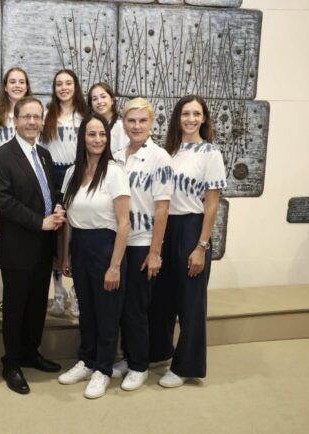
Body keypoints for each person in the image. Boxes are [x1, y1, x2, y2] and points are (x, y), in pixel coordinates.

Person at [0, 96, 66, 395]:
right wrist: (39, 222)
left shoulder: (44, 155)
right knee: (15, 307)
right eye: (27, 117)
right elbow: (3, 201)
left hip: (44, 245)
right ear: (16, 120)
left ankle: (30, 353)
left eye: (37, 117)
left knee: (36, 305)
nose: (32, 122)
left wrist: (57, 206)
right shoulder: (2, 156)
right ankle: (11, 363)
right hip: (18, 245)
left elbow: (51, 191)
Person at [148, 95, 226, 388]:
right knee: (161, 297)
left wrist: (201, 247)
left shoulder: (210, 154)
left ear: (204, 118)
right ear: (177, 118)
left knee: (190, 302)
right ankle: (158, 351)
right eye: (185, 114)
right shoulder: (169, 151)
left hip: (192, 228)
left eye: (196, 114)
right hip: (165, 227)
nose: (191, 119)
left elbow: (212, 206)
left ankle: (186, 366)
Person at [57, 113, 131, 399]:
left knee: (107, 312)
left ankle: (103, 368)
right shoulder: (71, 173)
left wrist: (115, 266)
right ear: (82, 138)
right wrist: (66, 255)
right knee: (86, 309)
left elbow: (124, 223)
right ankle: (87, 361)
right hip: (80, 247)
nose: (98, 139)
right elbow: (68, 220)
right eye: (92, 134)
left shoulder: (115, 172)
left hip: (106, 247)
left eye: (102, 134)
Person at [111, 98, 173, 392]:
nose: (136, 126)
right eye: (131, 120)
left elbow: (162, 208)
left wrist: (155, 252)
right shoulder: (116, 156)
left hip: (141, 241)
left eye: (142, 121)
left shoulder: (160, 157)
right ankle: (129, 357)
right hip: (117, 241)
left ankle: (139, 366)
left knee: (136, 307)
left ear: (151, 123)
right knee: (121, 305)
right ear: (123, 123)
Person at [42, 69, 88, 318]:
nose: (63, 87)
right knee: (55, 238)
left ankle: (77, 293)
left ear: (75, 86)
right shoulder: (47, 116)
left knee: (76, 235)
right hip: (53, 175)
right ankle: (58, 291)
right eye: (58, 83)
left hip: (77, 175)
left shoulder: (85, 116)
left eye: (68, 83)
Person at [0, 67, 32, 154]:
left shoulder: (37, 118)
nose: (17, 85)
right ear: (5, 87)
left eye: (21, 82)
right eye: (12, 82)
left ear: (26, 88)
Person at [87, 82, 129, 154]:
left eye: (103, 97)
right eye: (95, 99)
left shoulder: (121, 126)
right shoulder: (88, 126)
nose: (99, 101)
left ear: (112, 100)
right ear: (91, 105)